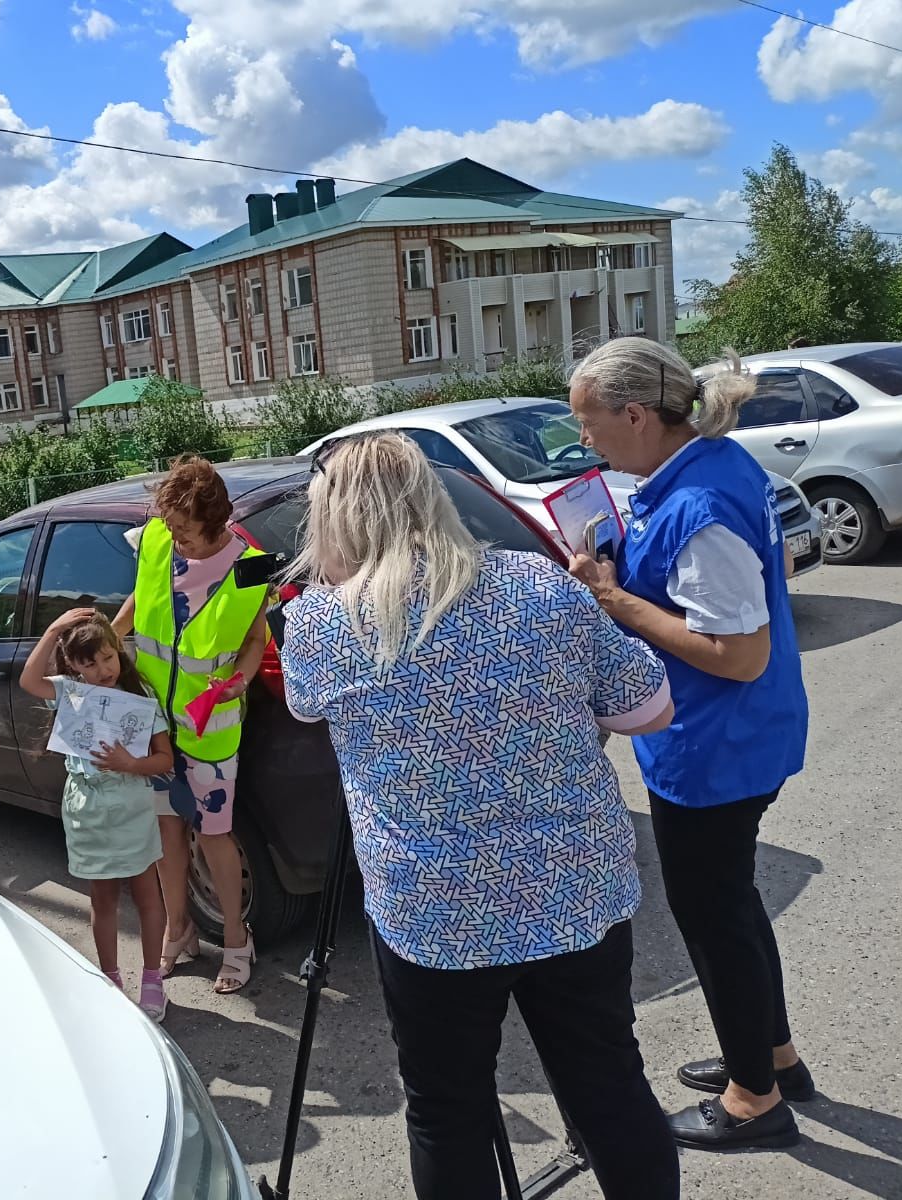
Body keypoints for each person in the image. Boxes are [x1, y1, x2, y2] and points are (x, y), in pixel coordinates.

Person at [280, 433, 680, 1200]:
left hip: (434, 913)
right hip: (574, 890)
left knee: (446, 1107)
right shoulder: (536, 583)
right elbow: (650, 707)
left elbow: (304, 705)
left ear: (334, 519)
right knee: (608, 1084)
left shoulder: (324, 625)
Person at [567, 337, 812, 1151]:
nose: (586, 440)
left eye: (591, 422)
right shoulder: (707, 466)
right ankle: (771, 1057)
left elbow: (738, 653)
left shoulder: (696, 506)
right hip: (734, 739)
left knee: (715, 919)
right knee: (732, 905)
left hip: (715, 749)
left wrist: (611, 600)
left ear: (636, 414)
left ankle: (754, 1098)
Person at [111, 455, 272, 994]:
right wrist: (109, 641)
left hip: (209, 730)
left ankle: (234, 937)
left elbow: (254, 640)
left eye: (184, 529)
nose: (174, 537)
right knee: (166, 831)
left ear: (216, 521)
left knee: (214, 836)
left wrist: (241, 681)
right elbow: (141, 598)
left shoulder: (249, 566)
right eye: (170, 525)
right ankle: (178, 931)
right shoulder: (157, 540)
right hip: (155, 721)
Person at [20, 609, 173, 1019]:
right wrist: (53, 628)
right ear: (73, 665)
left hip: (132, 805)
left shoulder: (141, 700)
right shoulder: (71, 692)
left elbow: (164, 759)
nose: (103, 669)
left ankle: (153, 979)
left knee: (146, 894)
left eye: (108, 657)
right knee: (102, 897)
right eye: (89, 663)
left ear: (118, 650)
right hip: (86, 809)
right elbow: (28, 681)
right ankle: (111, 979)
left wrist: (131, 764)